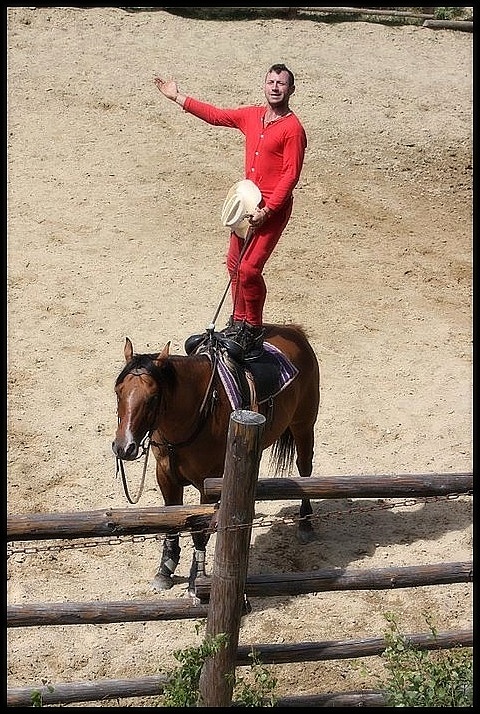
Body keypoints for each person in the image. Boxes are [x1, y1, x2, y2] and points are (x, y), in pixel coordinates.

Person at [154, 63, 307, 359]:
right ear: (264, 85)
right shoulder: (251, 115)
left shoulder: (293, 129)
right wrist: (177, 97)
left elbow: (290, 175)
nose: (275, 87)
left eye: (282, 83)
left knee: (250, 269)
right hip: (246, 202)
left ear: (291, 89)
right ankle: (237, 321)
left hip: (271, 208)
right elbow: (216, 115)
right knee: (234, 263)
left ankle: (252, 326)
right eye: (271, 82)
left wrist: (269, 209)